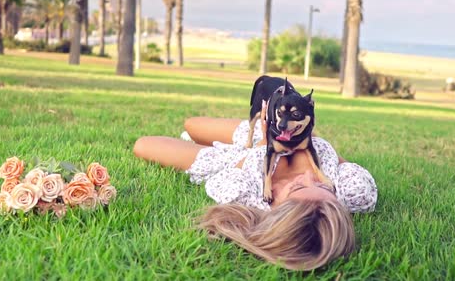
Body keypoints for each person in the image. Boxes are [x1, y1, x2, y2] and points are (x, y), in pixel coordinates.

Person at [133, 107, 378, 271]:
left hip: (243, 155)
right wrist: (303, 132)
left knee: (188, 128)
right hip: (282, 136)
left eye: (298, 187)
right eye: (322, 186)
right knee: (192, 124)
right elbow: (336, 157)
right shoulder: (353, 190)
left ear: (276, 207)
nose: (307, 175)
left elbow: (144, 145)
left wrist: (263, 144)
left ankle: (205, 141)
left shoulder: (245, 191)